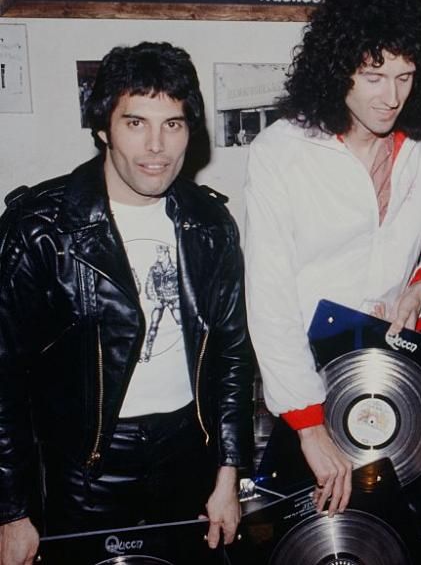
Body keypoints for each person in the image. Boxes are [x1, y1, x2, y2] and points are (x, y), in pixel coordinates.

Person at [0, 42, 254, 565]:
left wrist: (229, 472)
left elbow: (231, 355)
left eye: (173, 124)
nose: (156, 146)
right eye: (136, 123)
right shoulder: (40, 229)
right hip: (82, 469)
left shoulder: (210, 224)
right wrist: (11, 511)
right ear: (103, 128)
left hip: (188, 452)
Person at [244, 0, 421, 514]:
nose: (392, 97)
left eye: (405, 77)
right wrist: (308, 424)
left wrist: (420, 287)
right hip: (309, 380)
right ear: (337, 69)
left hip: (397, 372)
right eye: (374, 76)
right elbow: (269, 297)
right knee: (316, 537)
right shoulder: (281, 152)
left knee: (396, 532)